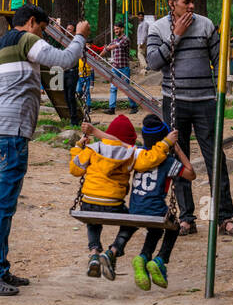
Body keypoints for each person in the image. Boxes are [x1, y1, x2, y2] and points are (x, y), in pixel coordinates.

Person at [0, 2, 88, 296]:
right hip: (10, 133)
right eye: (42, 28)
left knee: (4, 203)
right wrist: (80, 36)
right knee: (2, 206)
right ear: (31, 23)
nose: (41, 34)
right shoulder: (26, 39)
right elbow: (64, 60)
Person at [146, 0, 233, 238]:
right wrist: (176, 35)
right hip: (174, 101)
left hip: (205, 100)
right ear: (172, 3)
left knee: (214, 157)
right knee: (177, 158)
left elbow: (219, 58)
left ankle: (224, 217)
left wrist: (221, 91)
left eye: (193, 1)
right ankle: (187, 218)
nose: (192, 6)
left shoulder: (206, 25)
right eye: (186, 2)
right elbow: (153, 62)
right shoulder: (158, 28)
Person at [68, 114, 177, 279]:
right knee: (131, 221)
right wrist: (166, 143)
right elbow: (150, 159)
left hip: (89, 202)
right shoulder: (129, 153)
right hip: (113, 204)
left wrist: (78, 148)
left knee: (92, 220)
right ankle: (113, 250)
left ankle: (94, 252)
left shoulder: (92, 149)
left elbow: (75, 170)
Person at [109, 113, 195, 290]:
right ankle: (159, 259)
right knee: (173, 227)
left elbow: (118, 143)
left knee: (154, 230)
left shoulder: (138, 154)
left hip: (134, 210)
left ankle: (143, 257)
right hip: (155, 211)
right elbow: (191, 174)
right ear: (165, 140)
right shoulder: (168, 160)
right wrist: (177, 149)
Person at [101, 23, 138, 113]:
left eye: (117, 29)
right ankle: (112, 108)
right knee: (113, 88)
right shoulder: (115, 39)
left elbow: (115, 46)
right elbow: (107, 49)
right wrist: (98, 57)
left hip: (124, 68)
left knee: (126, 88)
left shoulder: (125, 39)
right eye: (115, 29)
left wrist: (108, 48)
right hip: (115, 67)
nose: (116, 31)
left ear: (122, 29)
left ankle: (134, 107)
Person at [62, 22, 81, 124]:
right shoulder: (62, 41)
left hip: (72, 72)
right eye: (66, 29)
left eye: (69, 29)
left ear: (74, 32)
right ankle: (70, 116)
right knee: (65, 96)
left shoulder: (74, 42)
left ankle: (74, 119)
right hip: (64, 72)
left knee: (70, 96)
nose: (67, 31)